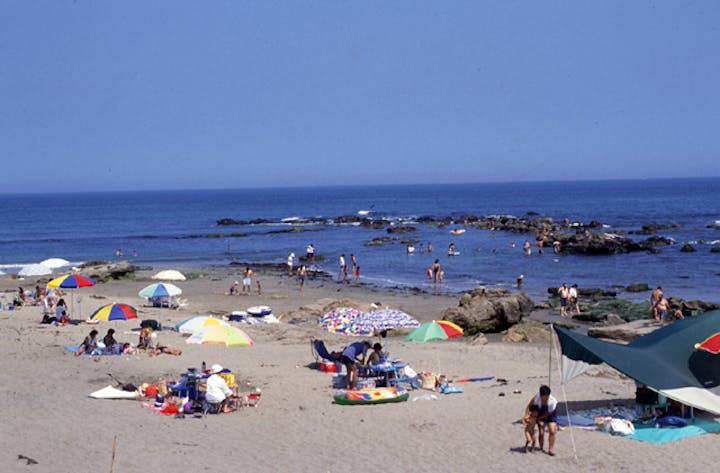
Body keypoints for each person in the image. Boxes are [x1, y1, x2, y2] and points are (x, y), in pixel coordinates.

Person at [526, 385, 558, 456]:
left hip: (550, 414)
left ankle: (550, 450)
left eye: (548, 396)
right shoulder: (536, 398)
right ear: (541, 395)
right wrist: (526, 415)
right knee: (541, 431)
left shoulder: (553, 401)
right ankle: (541, 448)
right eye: (545, 396)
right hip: (541, 412)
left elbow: (550, 413)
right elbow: (529, 406)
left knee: (552, 431)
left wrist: (539, 418)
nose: (547, 397)